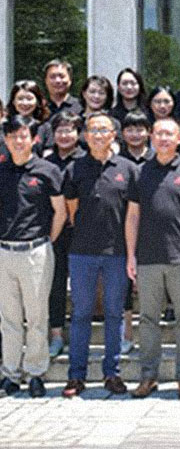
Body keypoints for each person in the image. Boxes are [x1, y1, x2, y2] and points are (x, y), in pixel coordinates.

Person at [125, 118, 180, 399]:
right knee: (148, 319)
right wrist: (131, 255)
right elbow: (132, 216)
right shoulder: (139, 172)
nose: (163, 138)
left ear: (179, 138)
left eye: (169, 134)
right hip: (147, 257)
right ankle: (148, 376)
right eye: (158, 133)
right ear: (151, 137)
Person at [62, 111, 139, 397]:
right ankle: (76, 375)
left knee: (114, 313)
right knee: (81, 313)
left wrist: (131, 253)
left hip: (116, 252)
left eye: (103, 130)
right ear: (85, 136)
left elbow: (132, 214)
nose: (98, 135)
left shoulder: (128, 169)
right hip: (82, 252)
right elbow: (72, 211)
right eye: (93, 130)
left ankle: (112, 373)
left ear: (113, 135)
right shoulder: (74, 168)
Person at [0, 116, 67, 398]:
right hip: (4, 252)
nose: (18, 141)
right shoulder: (1, 170)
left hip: (36, 251)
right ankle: (11, 374)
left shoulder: (47, 170)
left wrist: (46, 241)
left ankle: (36, 372)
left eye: (23, 135)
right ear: (5, 140)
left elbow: (60, 212)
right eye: (12, 136)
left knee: (37, 316)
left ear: (33, 138)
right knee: (9, 318)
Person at [43, 111, 85, 359]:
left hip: (81, 231)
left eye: (69, 130)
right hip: (53, 231)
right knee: (56, 284)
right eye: (60, 130)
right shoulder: (46, 162)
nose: (64, 135)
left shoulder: (85, 160)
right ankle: (57, 334)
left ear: (78, 133)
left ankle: (81, 335)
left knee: (82, 288)